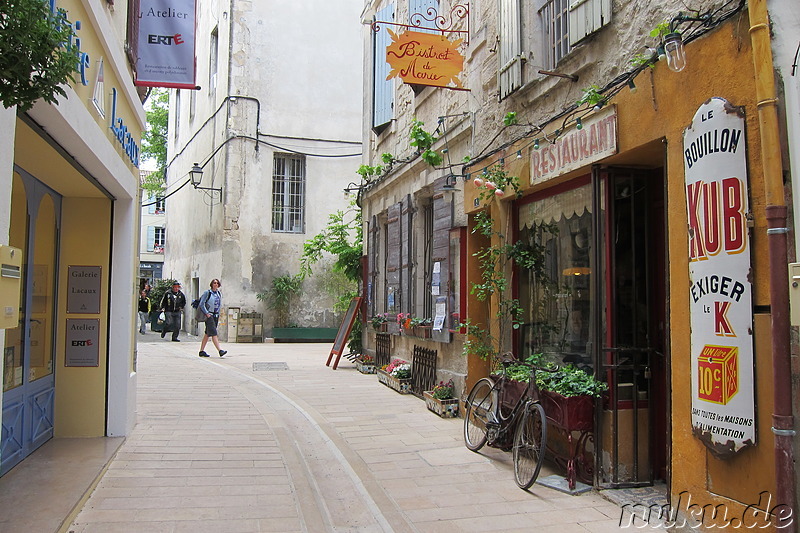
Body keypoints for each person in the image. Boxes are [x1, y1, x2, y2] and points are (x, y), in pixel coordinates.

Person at [198, 278, 227, 357]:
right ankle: (220, 350)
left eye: (217, 283)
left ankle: (201, 351)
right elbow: (201, 304)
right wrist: (206, 313)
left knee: (207, 333)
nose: (216, 284)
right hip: (209, 315)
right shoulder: (207, 293)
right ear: (211, 284)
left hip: (216, 315)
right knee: (214, 333)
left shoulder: (218, 293)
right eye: (214, 283)